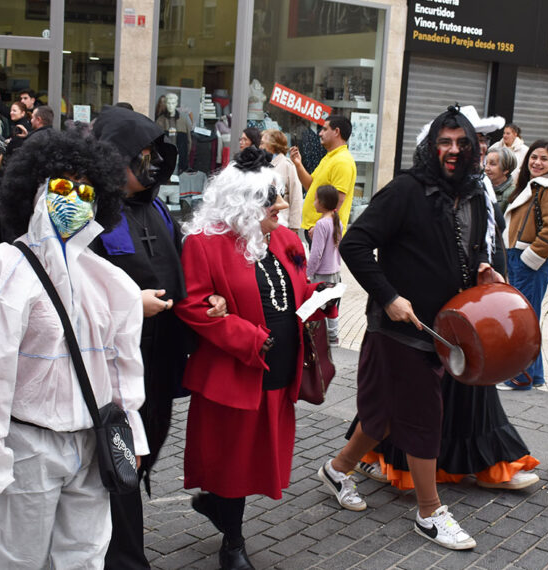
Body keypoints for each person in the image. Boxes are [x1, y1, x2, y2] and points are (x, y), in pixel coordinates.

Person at [0, 129, 148, 568]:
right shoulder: (6, 270)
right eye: (62, 186)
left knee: (84, 557)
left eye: (86, 191)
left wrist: (131, 434)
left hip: (92, 442)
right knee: (9, 559)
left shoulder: (107, 280)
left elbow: (121, 367)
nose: (74, 199)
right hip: (29, 445)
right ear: (36, 190)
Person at [317, 105, 506, 551]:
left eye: (462, 142)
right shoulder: (406, 190)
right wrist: (388, 296)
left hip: (447, 328)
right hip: (398, 328)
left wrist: (484, 269)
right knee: (424, 416)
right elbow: (356, 243)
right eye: (445, 142)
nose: (454, 150)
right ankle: (429, 512)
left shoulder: (475, 194)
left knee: (382, 416)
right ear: (431, 147)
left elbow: (475, 249)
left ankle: (337, 470)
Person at [174, 146, 330, 569]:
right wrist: (248, 338)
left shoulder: (285, 238)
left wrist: (322, 299)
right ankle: (233, 543)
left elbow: (296, 289)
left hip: (279, 370)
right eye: (269, 199)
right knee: (232, 462)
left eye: (278, 195)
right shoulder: (205, 244)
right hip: (234, 373)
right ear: (241, 202)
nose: (280, 205)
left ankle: (218, 508)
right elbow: (192, 306)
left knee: (251, 459)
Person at [90, 105, 226, 570]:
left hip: (162, 358)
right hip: (114, 363)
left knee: (145, 446)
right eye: (140, 155)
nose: (151, 163)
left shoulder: (158, 208)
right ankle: (121, 556)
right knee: (119, 457)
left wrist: (210, 296)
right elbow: (73, 288)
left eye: (153, 154)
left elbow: (186, 262)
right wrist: (132, 304)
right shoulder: (89, 212)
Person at [499, 140, 548, 391]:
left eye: (544, 159)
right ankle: (534, 375)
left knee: (523, 321)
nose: (537, 162)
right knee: (528, 318)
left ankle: (520, 377)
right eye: (534, 157)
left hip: (530, 262)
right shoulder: (531, 185)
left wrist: (530, 257)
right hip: (520, 259)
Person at [291, 115, 357, 238]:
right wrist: (298, 164)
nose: (320, 133)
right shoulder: (330, 157)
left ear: (336, 131)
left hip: (325, 232)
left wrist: (320, 226)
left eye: (325, 129)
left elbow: (338, 199)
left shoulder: (342, 161)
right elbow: (310, 185)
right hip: (315, 228)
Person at [306, 185, 342, 346]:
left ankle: (318, 336)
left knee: (317, 305)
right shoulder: (337, 221)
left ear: (322, 202)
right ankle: (333, 336)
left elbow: (316, 254)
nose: (314, 202)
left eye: (315, 199)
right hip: (335, 270)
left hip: (321, 273)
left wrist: (308, 272)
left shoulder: (321, 224)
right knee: (331, 305)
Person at [260, 129, 302, 232]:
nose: (259, 146)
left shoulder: (287, 165)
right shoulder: (261, 164)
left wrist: (294, 227)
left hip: (282, 223)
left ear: (273, 145)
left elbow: (296, 196)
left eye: (262, 143)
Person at [485, 146, 517, 213]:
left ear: (506, 169)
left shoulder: (512, 194)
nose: (486, 168)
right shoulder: (483, 188)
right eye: (486, 163)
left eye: (492, 164)